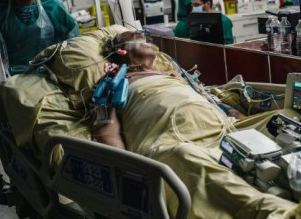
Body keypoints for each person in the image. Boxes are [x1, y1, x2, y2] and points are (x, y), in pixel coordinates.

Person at [91, 31, 243, 149]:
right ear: (121, 50)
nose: (149, 40)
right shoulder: (112, 83)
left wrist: (232, 113)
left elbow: (208, 97)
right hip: (174, 139)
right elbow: (105, 130)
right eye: (138, 36)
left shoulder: (173, 74)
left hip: (218, 126)